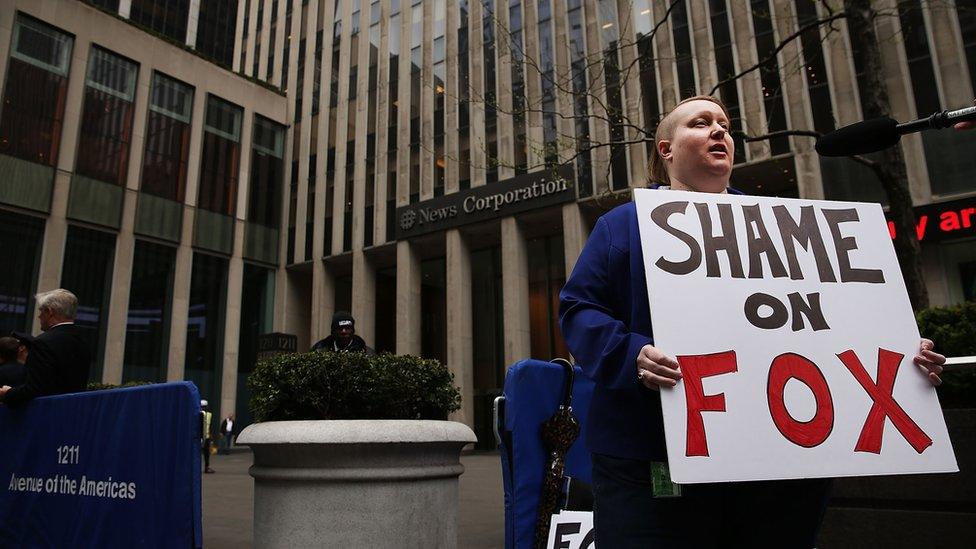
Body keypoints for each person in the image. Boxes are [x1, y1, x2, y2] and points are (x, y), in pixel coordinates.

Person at [558, 95, 947, 548]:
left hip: (780, 469)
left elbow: (831, 322)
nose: (720, 131)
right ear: (666, 150)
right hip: (650, 457)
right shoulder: (621, 225)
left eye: (724, 124)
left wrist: (900, 357)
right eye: (701, 123)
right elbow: (579, 311)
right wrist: (631, 356)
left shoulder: (788, 226)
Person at [0, 289, 92, 407]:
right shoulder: (83, 341)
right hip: (74, 411)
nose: (39, 316)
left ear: (49, 312)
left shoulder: (43, 342)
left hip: (46, 413)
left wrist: (7, 393)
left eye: (41, 311)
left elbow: (34, 389)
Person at [310, 311, 375, 354]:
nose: (344, 331)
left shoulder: (366, 353)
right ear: (333, 331)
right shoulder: (319, 350)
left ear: (353, 330)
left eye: (347, 328)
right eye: (340, 328)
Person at [201, 400, 215, 474]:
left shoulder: (196, 413)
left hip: (201, 437)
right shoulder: (209, 414)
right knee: (206, 454)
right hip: (205, 437)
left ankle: (206, 467)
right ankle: (206, 467)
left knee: (205, 453)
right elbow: (210, 427)